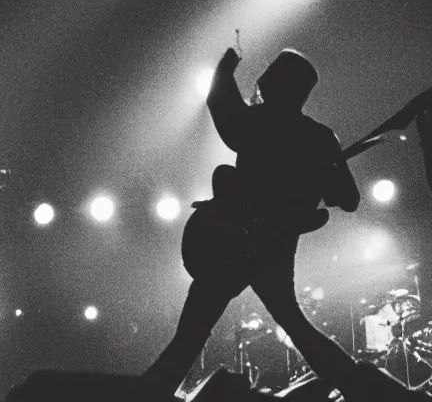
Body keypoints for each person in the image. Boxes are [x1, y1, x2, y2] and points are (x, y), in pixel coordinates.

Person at [137, 48, 363, 401]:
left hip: (235, 241)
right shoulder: (320, 138)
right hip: (271, 245)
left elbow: (221, 104)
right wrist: (324, 174)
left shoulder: (257, 122)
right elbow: (348, 199)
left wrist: (227, 64)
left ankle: (152, 390)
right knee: (292, 322)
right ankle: (359, 386)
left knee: (195, 327)